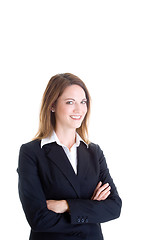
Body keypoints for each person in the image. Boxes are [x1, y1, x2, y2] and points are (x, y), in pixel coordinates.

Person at [17, 73, 122, 240]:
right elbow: (38, 218)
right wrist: (91, 210)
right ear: (52, 105)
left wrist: (65, 205)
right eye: (70, 102)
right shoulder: (31, 152)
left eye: (83, 102)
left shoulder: (94, 152)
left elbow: (114, 207)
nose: (79, 109)